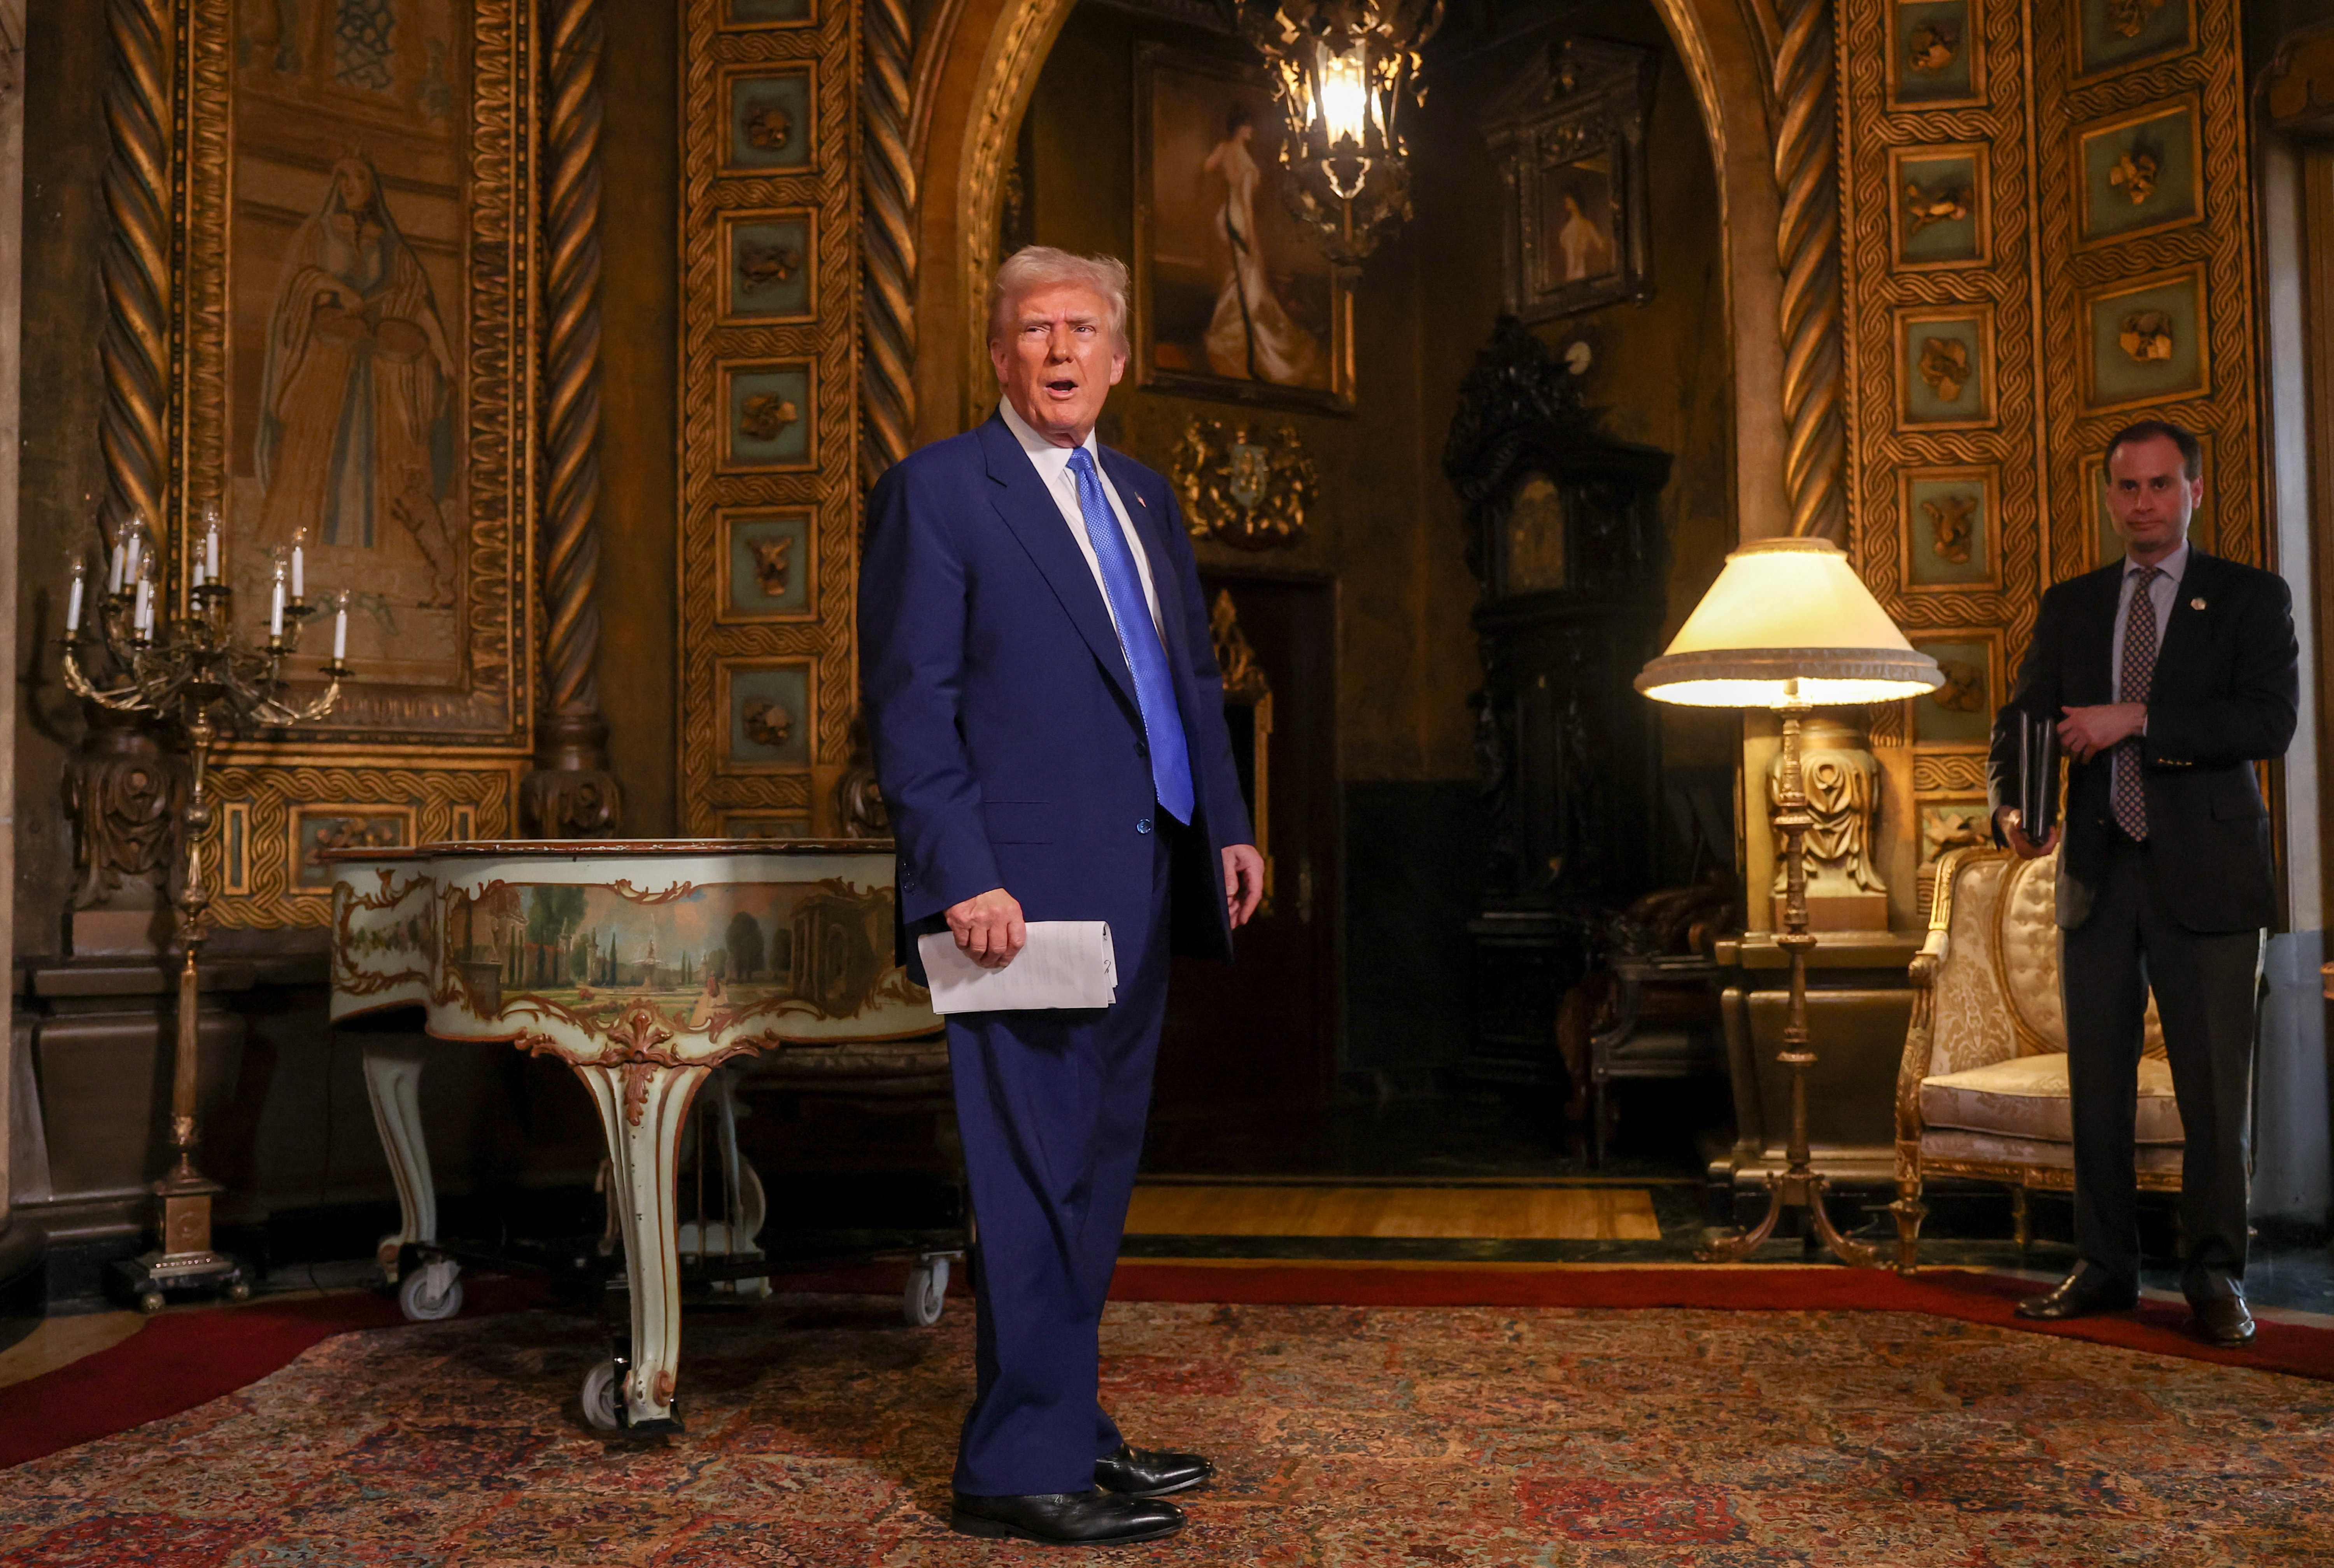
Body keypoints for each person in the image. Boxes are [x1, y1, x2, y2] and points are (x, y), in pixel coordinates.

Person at [859, 245, 1267, 1547]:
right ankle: (1014, 1470)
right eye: (1035, 329)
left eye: (1083, 329)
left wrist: (1228, 828)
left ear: (1120, 357)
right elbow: (911, 706)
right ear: (999, 353)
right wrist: (960, 873)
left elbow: (1187, 683)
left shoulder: (1143, 495)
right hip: (1013, 902)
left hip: (1146, 877)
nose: (1059, 350)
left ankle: (1069, 1428)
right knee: (1031, 1178)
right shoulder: (939, 492)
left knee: (1090, 1170)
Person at [1989, 418, 2298, 1347]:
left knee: (2213, 1096)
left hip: (2209, 877)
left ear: (2193, 492)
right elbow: (2022, 722)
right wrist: (2012, 807)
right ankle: (2103, 1268)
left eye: (2161, 486)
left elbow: (2267, 724)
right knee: (2098, 1089)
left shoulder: (2249, 597)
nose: (2142, 504)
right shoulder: (2073, 605)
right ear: (2109, 497)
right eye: (2127, 488)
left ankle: (2214, 1277)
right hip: (2097, 872)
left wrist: (2136, 719)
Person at [1200, 105, 1321, 387]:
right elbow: (1246, 205)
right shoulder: (1244, 160)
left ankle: (1229, 330)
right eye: (1248, 126)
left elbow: (1207, 167)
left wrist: (1225, 180)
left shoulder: (1224, 149)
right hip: (1239, 219)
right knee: (1248, 276)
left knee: (1240, 276)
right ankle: (1237, 335)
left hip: (1225, 216)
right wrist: (1253, 240)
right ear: (1240, 127)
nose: (1252, 131)